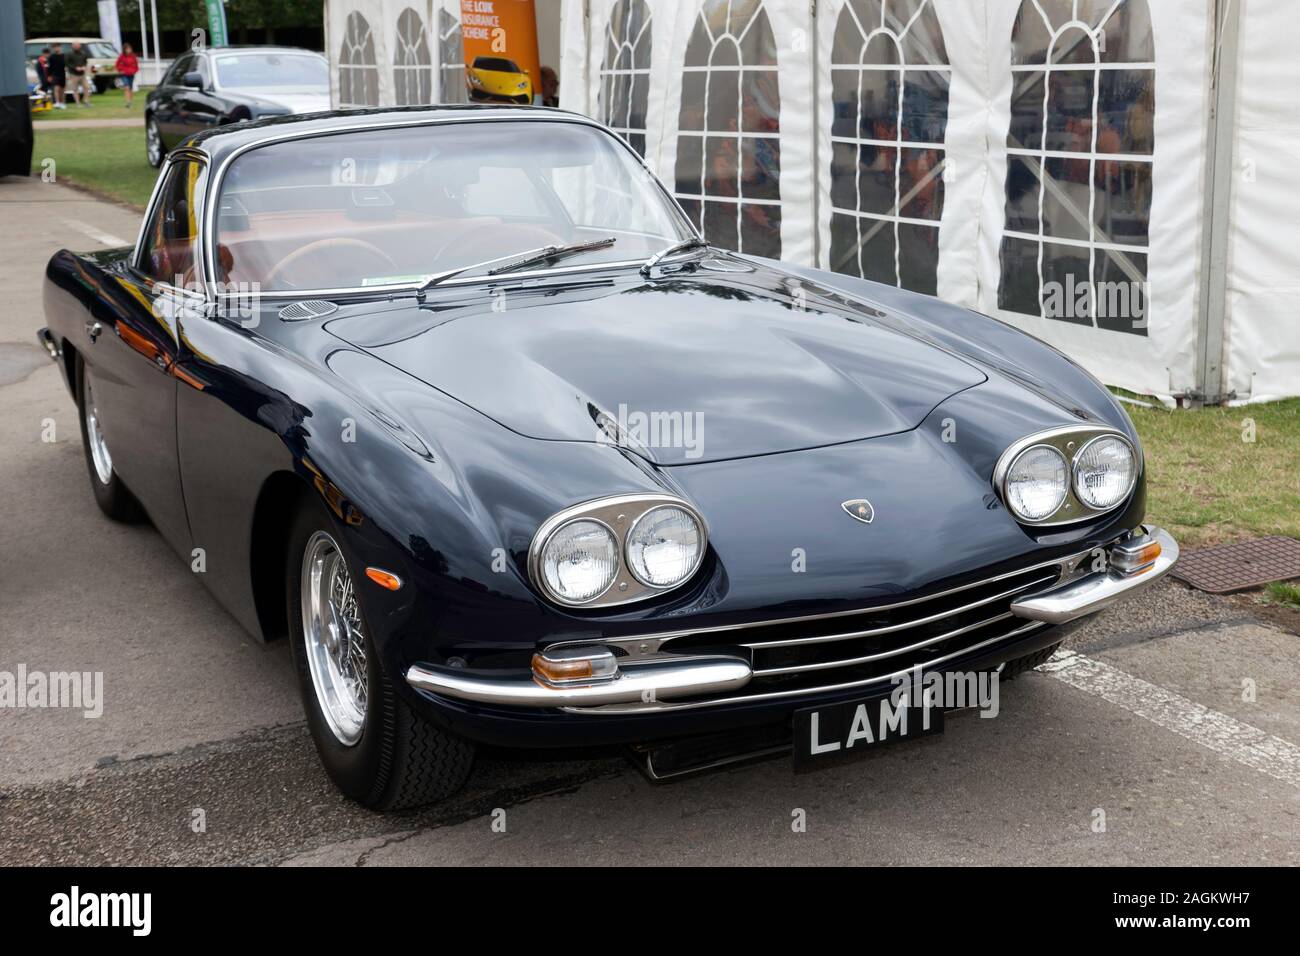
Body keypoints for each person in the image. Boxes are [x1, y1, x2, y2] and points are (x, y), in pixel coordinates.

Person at [66, 41, 91, 107]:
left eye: (78, 45)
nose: (76, 46)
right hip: (74, 74)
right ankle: (78, 103)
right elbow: (67, 63)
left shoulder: (83, 53)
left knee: (87, 87)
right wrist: (75, 68)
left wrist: (84, 66)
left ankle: (86, 101)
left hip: (82, 74)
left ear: (80, 46)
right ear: (72, 46)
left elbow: (85, 61)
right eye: (75, 45)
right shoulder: (69, 53)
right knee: (75, 89)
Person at [115, 44, 140, 108]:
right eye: (127, 49)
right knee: (127, 87)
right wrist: (120, 70)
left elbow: (137, 66)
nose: (129, 50)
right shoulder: (122, 56)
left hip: (131, 74)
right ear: (125, 50)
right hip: (124, 74)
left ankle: (131, 101)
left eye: (130, 49)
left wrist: (134, 71)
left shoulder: (133, 56)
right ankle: (128, 102)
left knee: (131, 88)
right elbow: (117, 64)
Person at [48, 43, 67, 109]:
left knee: (62, 90)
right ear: (53, 49)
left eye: (58, 47)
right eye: (55, 47)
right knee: (56, 89)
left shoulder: (64, 56)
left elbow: (66, 66)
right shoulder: (51, 57)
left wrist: (67, 74)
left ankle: (62, 103)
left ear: (60, 48)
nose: (57, 48)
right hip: (55, 74)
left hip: (63, 74)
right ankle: (57, 102)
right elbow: (50, 67)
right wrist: (49, 76)